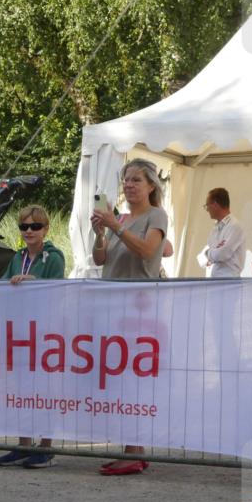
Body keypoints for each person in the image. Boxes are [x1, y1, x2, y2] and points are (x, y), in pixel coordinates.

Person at [91, 158, 168, 475]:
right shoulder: (119, 218)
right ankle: (130, 449)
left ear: (151, 185)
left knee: (133, 381)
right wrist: (100, 234)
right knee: (120, 381)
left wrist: (115, 227)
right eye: (126, 179)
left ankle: (134, 451)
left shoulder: (156, 215)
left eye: (136, 179)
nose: (129, 184)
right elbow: (100, 259)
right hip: (114, 308)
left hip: (139, 309)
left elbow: (148, 251)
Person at [0, 205, 66, 468]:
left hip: (46, 332)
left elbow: (59, 289)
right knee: (22, 389)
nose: (29, 231)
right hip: (20, 332)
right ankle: (23, 444)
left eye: (35, 226)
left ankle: (46, 447)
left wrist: (34, 281)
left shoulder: (54, 257)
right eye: (24, 227)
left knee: (44, 389)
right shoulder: (18, 256)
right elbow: (7, 283)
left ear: (46, 229)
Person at [198, 187, 245, 278]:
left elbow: (222, 254)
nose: (207, 209)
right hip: (213, 282)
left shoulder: (235, 226)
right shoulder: (216, 227)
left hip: (228, 283)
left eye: (207, 205)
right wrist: (212, 252)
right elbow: (200, 259)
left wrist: (208, 253)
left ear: (215, 204)